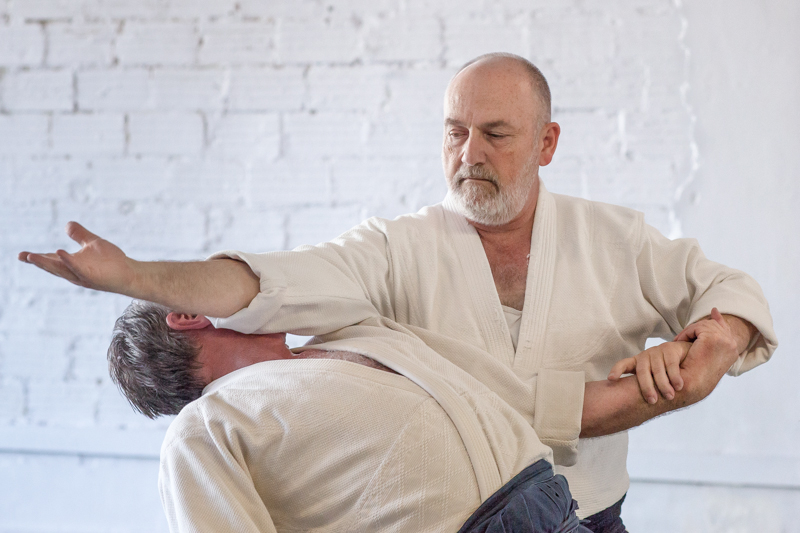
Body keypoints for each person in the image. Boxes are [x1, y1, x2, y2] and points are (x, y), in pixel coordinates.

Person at [20, 53, 778, 531]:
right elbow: (268, 281)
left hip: (588, 511)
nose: (469, 153)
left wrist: (711, 346)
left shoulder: (615, 237)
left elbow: (729, 290)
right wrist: (137, 275)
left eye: (495, 134)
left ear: (546, 142)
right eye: (453, 131)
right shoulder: (388, 255)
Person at [111, 299, 625, 532]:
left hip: (553, 507)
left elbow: (500, 394)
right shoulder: (203, 427)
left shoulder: (347, 334)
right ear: (185, 314)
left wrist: (625, 390)